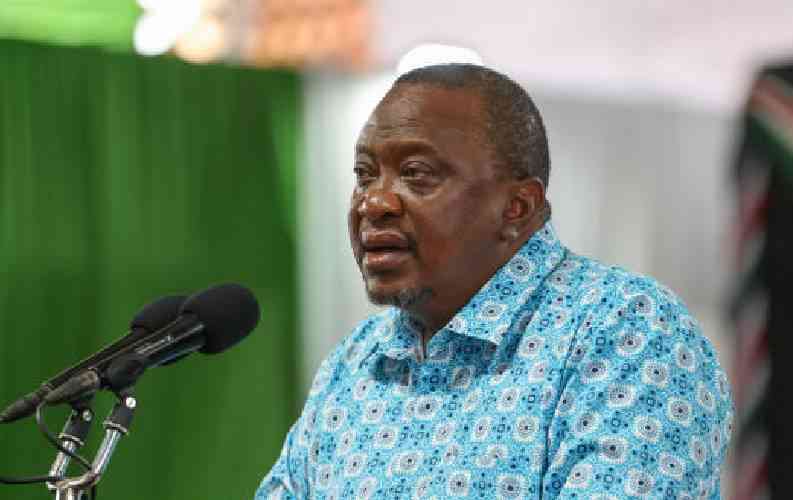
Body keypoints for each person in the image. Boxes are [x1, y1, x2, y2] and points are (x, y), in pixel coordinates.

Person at [256, 64, 733, 499]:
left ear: (516, 208)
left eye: (416, 174)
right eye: (364, 175)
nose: (373, 202)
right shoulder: (356, 362)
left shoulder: (625, 331)